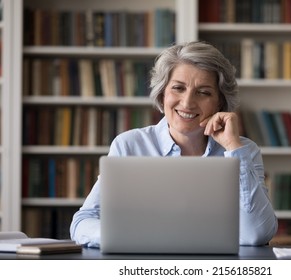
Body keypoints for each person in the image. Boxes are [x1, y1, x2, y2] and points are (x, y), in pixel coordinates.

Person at [70, 41, 278, 247]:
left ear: (220, 102)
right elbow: (82, 222)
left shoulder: (243, 150)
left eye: (204, 92)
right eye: (178, 88)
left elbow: (257, 233)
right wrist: (128, 236)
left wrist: (234, 149)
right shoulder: (129, 146)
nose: (187, 102)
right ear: (162, 94)